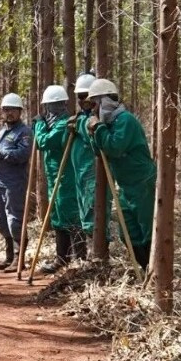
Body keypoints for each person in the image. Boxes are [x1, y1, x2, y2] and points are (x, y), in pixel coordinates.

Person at [85, 78, 156, 269]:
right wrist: (92, 132)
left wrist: (98, 128)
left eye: (95, 103)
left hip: (142, 182)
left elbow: (114, 147)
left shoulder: (126, 120)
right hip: (125, 186)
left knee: (147, 230)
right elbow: (99, 151)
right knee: (129, 232)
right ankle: (143, 267)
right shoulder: (108, 124)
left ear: (105, 101)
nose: (93, 109)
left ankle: (153, 272)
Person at [33, 84, 84, 274]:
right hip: (54, 176)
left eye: (55, 106)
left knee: (70, 215)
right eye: (49, 106)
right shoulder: (51, 123)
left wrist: (38, 125)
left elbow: (44, 142)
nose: (51, 110)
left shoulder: (64, 123)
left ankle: (79, 258)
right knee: (57, 216)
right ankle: (62, 258)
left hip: (66, 177)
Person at [0, 93, 32, 272]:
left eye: (13, 110)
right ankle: (9, 257)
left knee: (15, 220)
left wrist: (1, 154)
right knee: (2, 221)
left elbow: (22, 155)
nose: (9, 113)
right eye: (6, 110)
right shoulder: (3, 130)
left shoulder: (24, 132)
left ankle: (20, 260)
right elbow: (0, 151)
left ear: (20, 111)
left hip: (15, 183)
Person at [70, 72, 98, 256]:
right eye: (80, 97)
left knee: (93, 213)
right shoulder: (81, 116)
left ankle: (98, 255)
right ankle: (82, 256)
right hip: (79, 172)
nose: (83, 100)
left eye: (86, 96)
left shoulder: (99, 116)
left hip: (93, 173)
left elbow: (92, 131)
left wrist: (80, 124)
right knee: (81, 213)